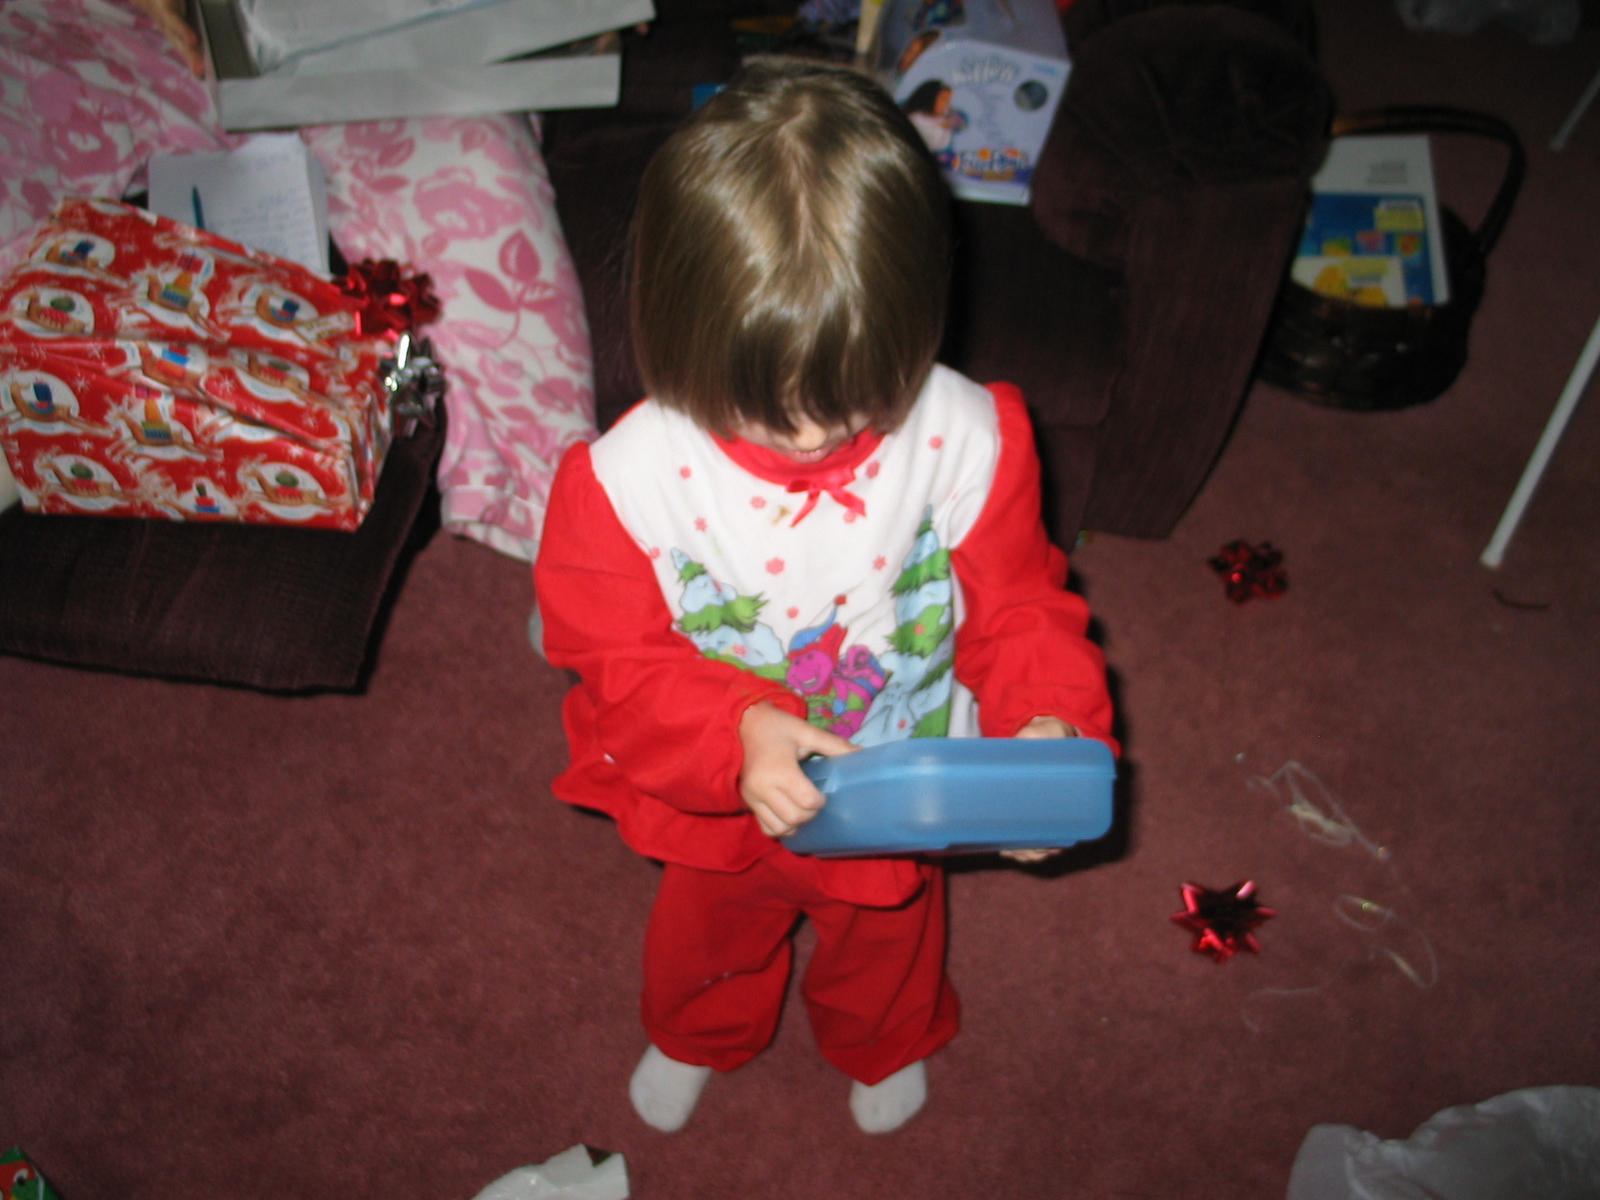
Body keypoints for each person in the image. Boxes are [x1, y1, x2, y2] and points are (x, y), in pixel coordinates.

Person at [532, 59, 1114, 1136]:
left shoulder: (967, 436)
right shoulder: (624, 483)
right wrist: (737, 730)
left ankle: (883, 1038)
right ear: (674, 330)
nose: (809, 438)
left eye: (850, 402)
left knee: (890, 934)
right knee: (708, 932)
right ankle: (700, 1032)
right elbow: (614, 662)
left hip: (900, 769)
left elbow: (1021, 604)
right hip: (723, 785)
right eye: (766, 408)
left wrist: (1046, 727)